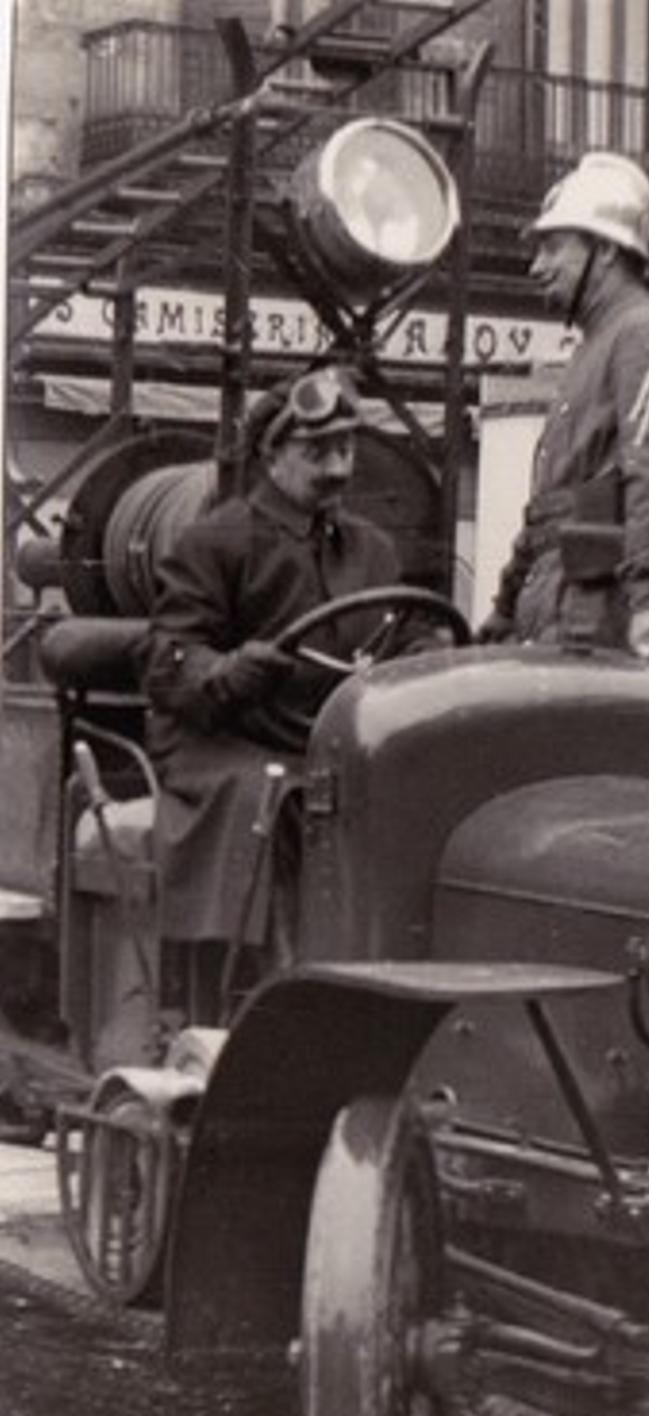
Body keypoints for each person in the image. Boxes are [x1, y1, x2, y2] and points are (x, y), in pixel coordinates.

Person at [143, 364, 434, 977]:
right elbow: (170, 663)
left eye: (347, 447)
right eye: (318, 450)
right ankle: (274, 990)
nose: (338, 468)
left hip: (329, 743)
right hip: (226, 743)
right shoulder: (216, 542)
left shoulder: (372, 549)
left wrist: (423, 653)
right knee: (286, 800)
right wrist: (230, 671)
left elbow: (401, 632)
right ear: (271, 455)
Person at [478, 152, 649, 662]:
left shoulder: (646, 334)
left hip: (613, 618)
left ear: (605, 250)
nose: (535, 266)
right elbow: (551, 509)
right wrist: (505, 606)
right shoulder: (599, 344)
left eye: (552, 247)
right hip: (577, 610)